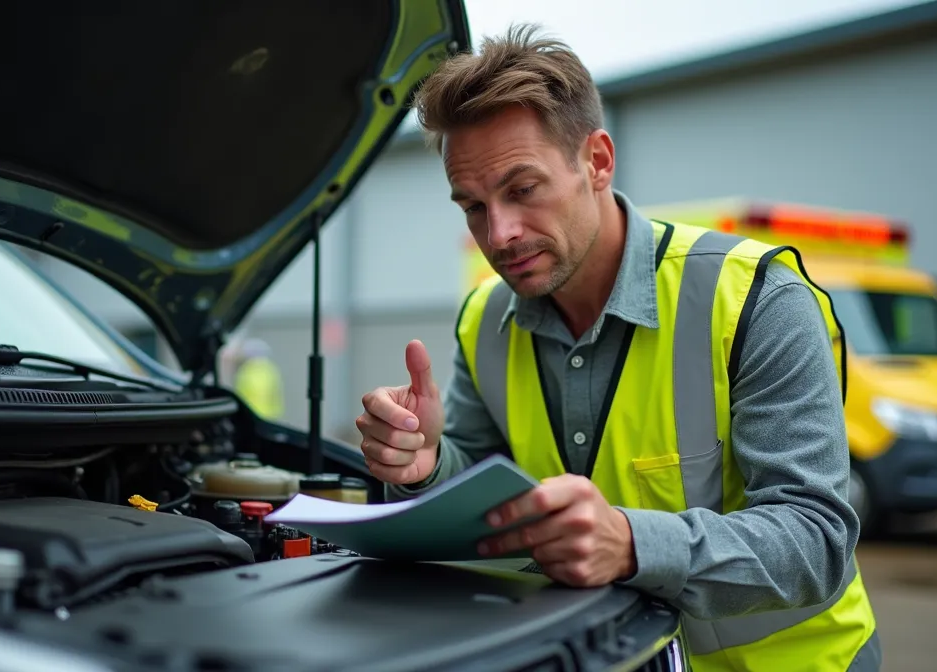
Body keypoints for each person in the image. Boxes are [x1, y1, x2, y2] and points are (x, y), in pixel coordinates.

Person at [354, 24, 880, 672]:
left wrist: (632, 544)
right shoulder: (481, 323)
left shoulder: (756, 300)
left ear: (597, 161)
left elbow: (816, 541)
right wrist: (428, 461)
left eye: (522, 189)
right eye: (472, 206)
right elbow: (488, 497)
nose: (499, 233)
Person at [228, 337, 284, 420]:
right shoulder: (271, 369)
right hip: (268, 416)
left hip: (251, 416)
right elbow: (276, 395)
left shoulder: (245, 371)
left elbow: (240, 395)